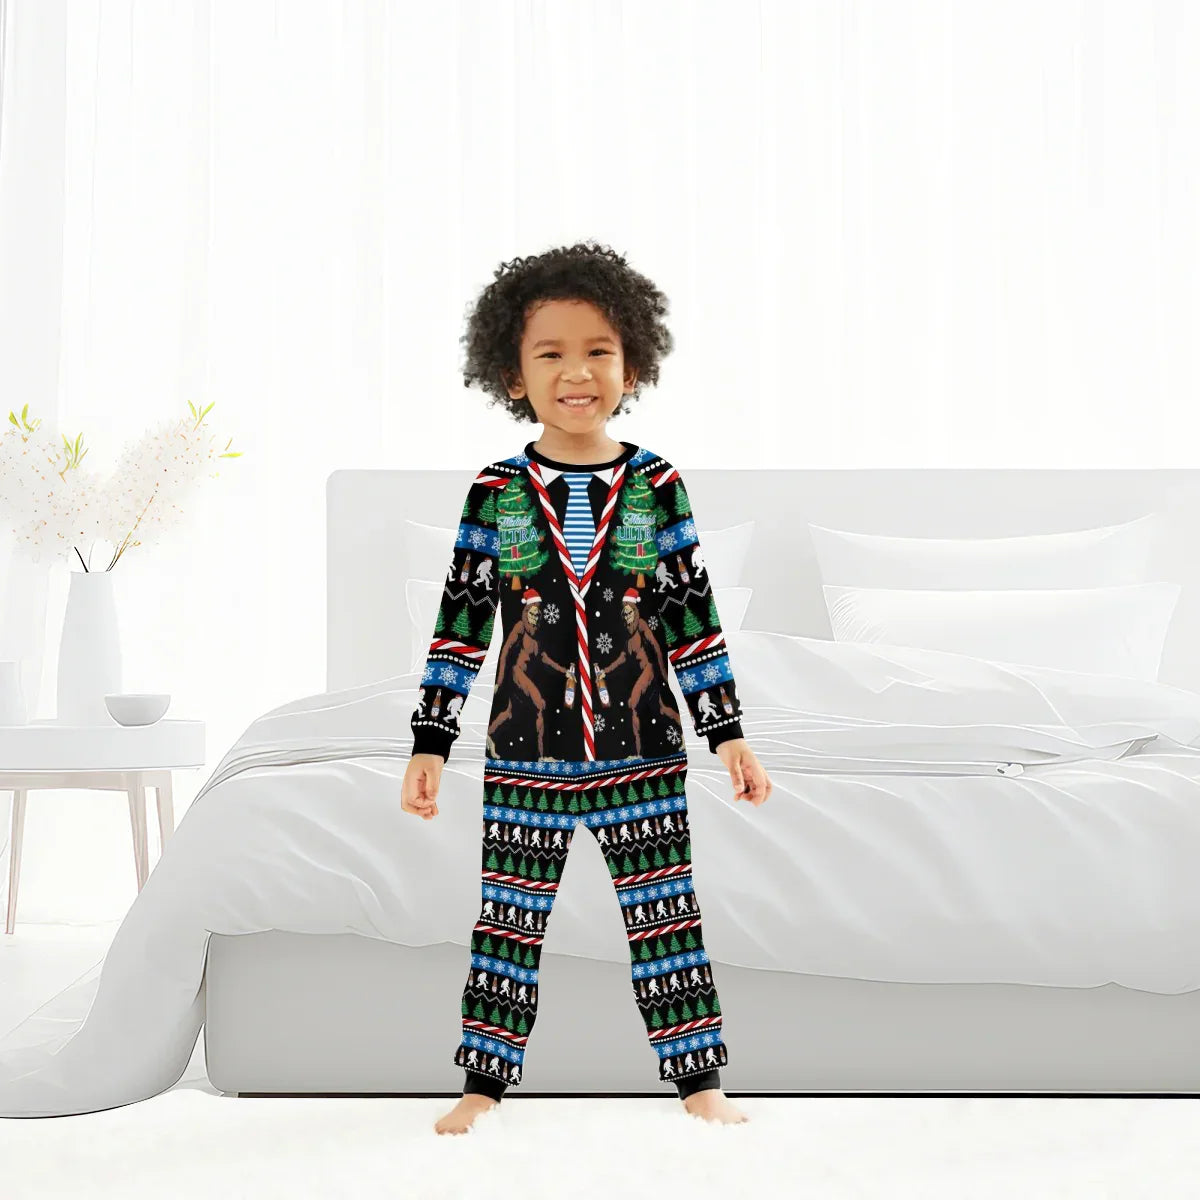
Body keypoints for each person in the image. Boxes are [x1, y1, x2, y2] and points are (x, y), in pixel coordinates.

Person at [400, 241, 772, 1135]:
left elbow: (692, 615)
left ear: (633, 363)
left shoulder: (657, 486)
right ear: (511, 374)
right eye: (551, 354)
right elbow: (460, 621)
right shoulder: (496, 492)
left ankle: (700, 1085)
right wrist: (429, 739)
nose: (577, 372)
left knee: (666, 922)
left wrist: (727, 734)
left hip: (643, 749)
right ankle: (483, 1083)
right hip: (526, 753)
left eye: (599, 350)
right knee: (508, 924)